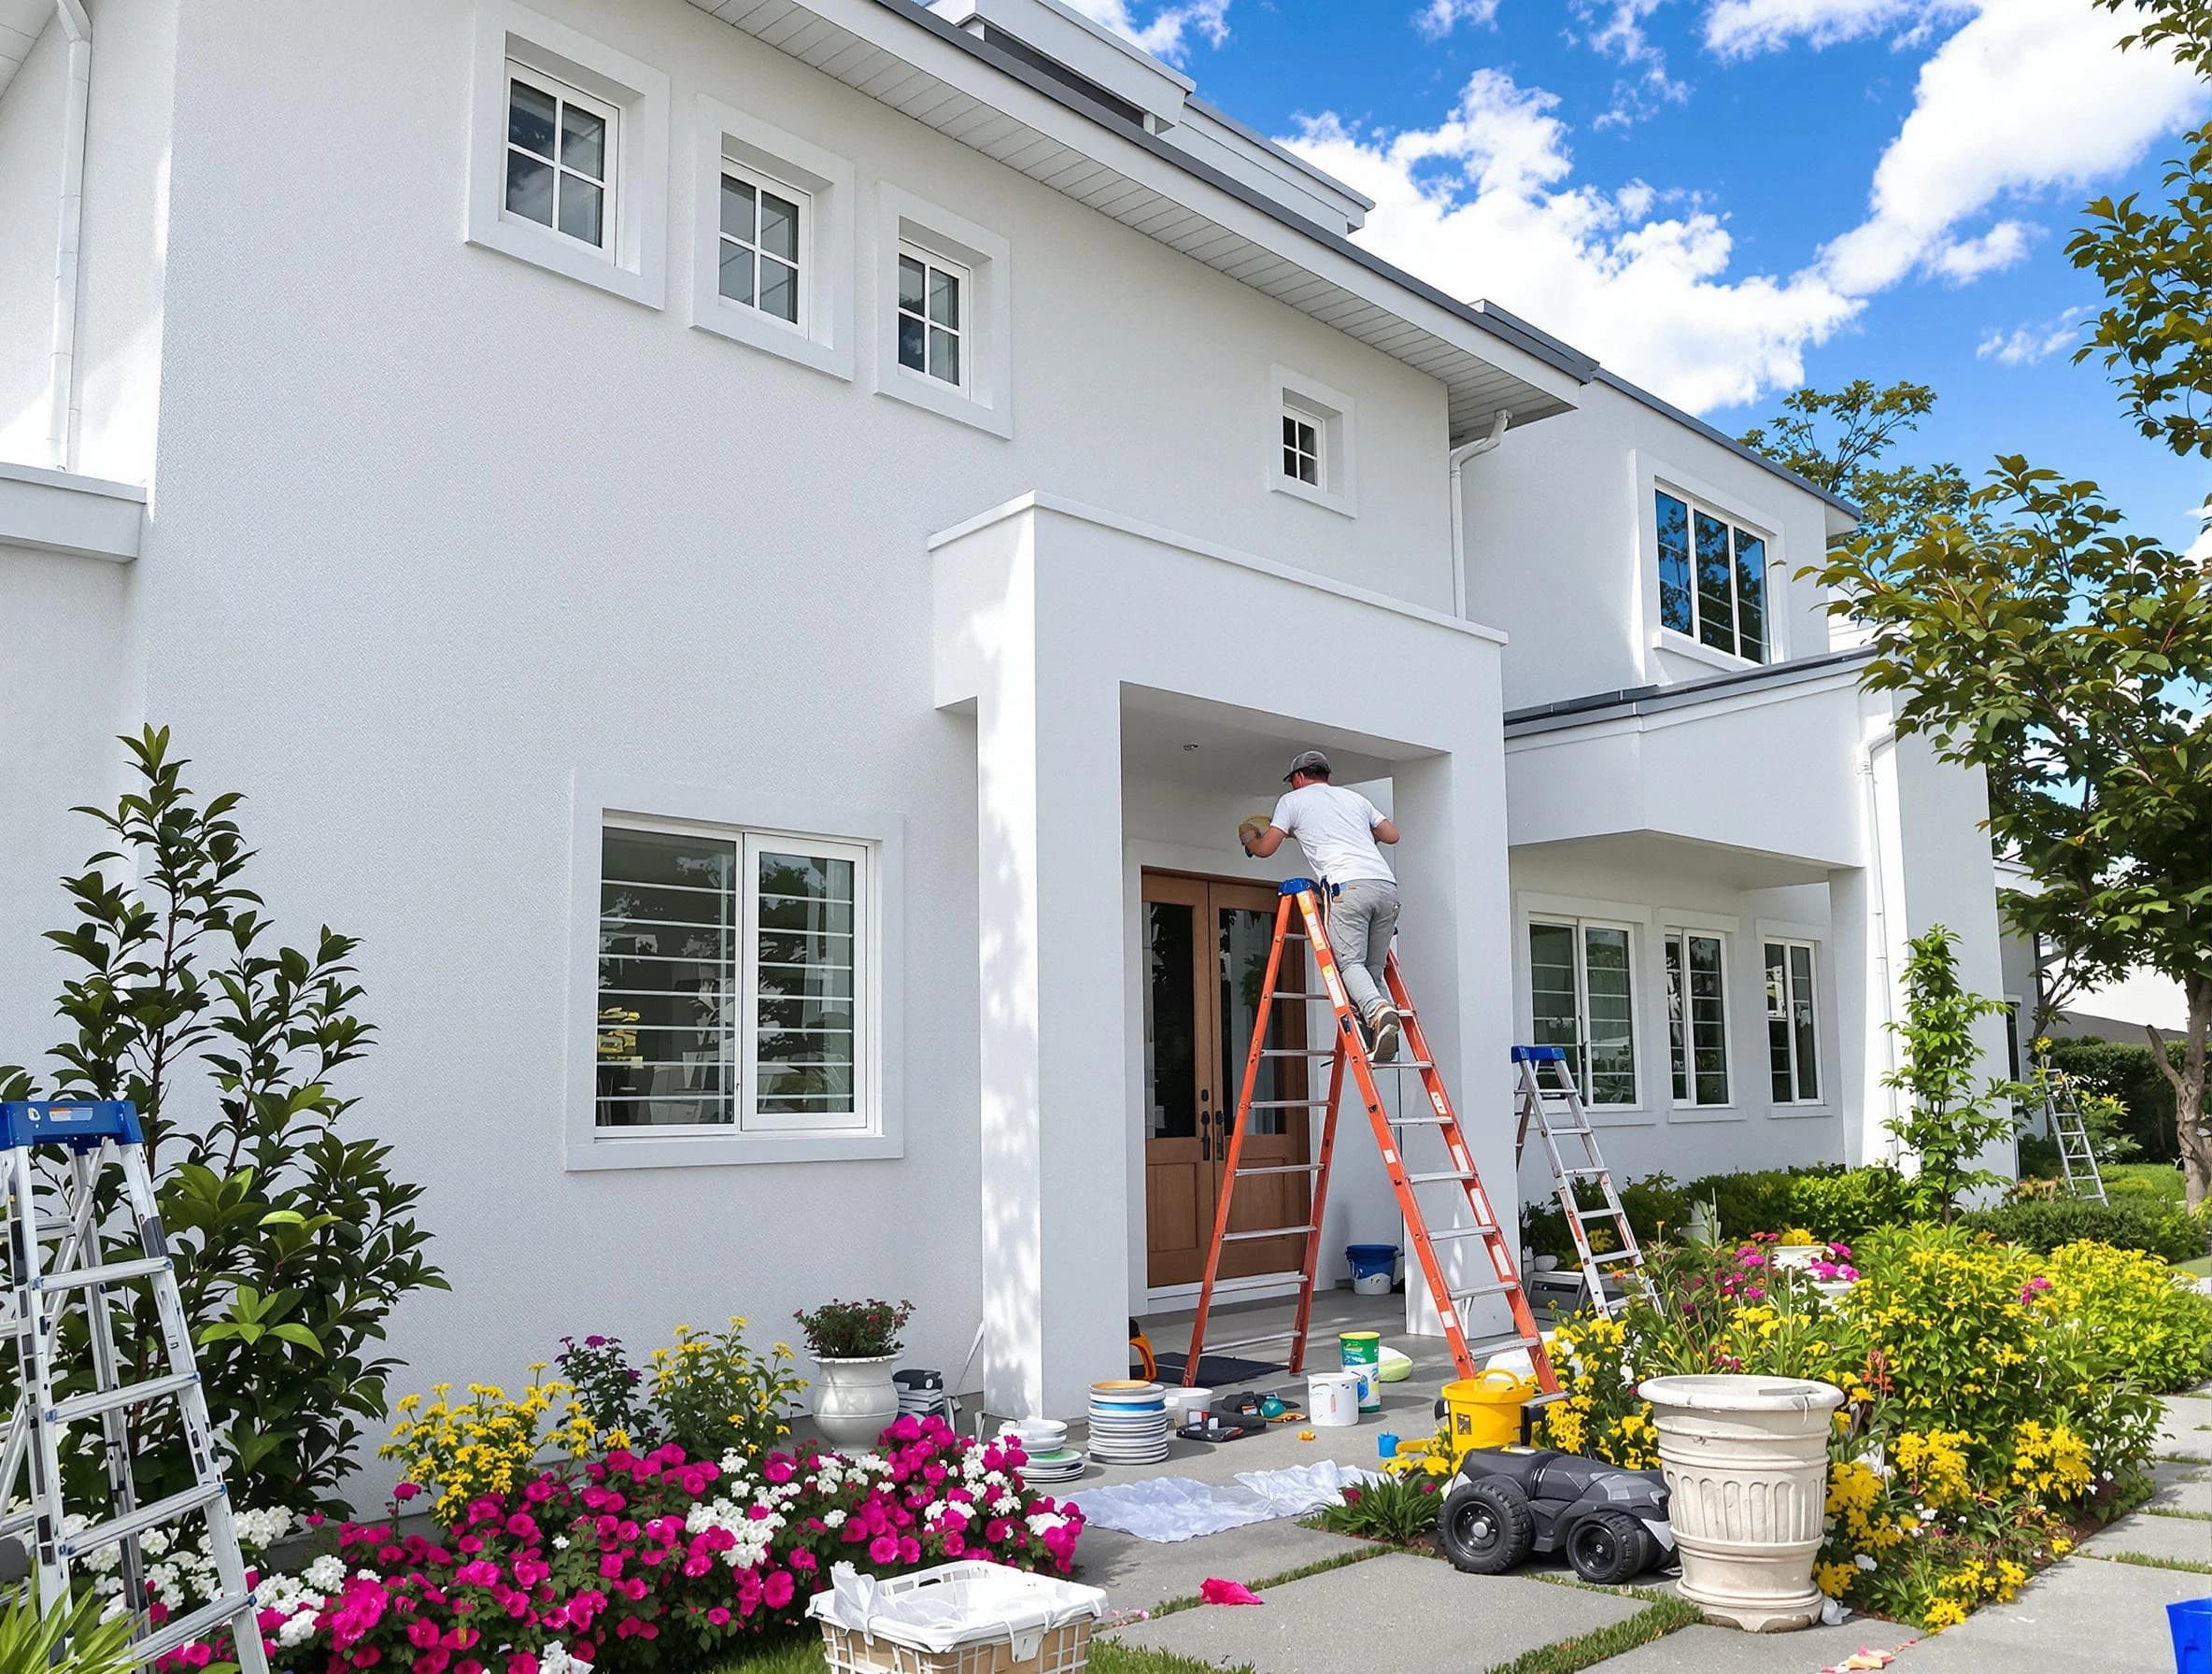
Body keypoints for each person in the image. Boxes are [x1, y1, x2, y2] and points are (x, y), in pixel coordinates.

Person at [1238, 749, 1403, 1061]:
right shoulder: (1354, 799)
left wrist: (1249, 838)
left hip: (1348, 888)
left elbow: (1265, 849)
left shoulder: (1293, 802)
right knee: (1371, 972)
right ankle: (1381, 1033)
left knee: (1350, 964)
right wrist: (1360, 837)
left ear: (1299, 778)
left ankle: (1379, 1011)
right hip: (1385, 887)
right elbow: (1391, 835)